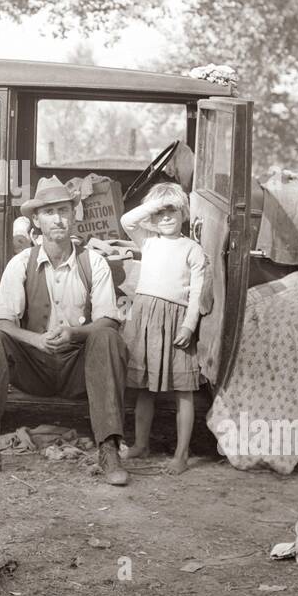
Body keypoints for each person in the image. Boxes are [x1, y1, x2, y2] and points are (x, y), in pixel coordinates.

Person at [0, 176, 130, 486]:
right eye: (49, 213)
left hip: (78, 366)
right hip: (34, 365)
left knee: (108, 337)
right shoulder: (20, 263)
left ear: (74, 215)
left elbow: (108, 319)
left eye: (63, 210)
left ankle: (109, 448)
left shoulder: (94, 263)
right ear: (37, 220)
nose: (58, 219)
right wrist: (34, 339)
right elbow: (1, 321)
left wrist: (76, 334)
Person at [119, 182, 207, 474]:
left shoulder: (192, 249)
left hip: (176, 320)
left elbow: (196, 293)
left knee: (184, 390)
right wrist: (155, 206)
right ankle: (141, 444)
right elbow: (126, 220)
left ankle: (181, 454)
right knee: (145, 388)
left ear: (184, 213)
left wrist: (189, 325)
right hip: (145, 317)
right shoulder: (148, 240)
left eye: (173, 211)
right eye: (161, 212)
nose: (167, 217)